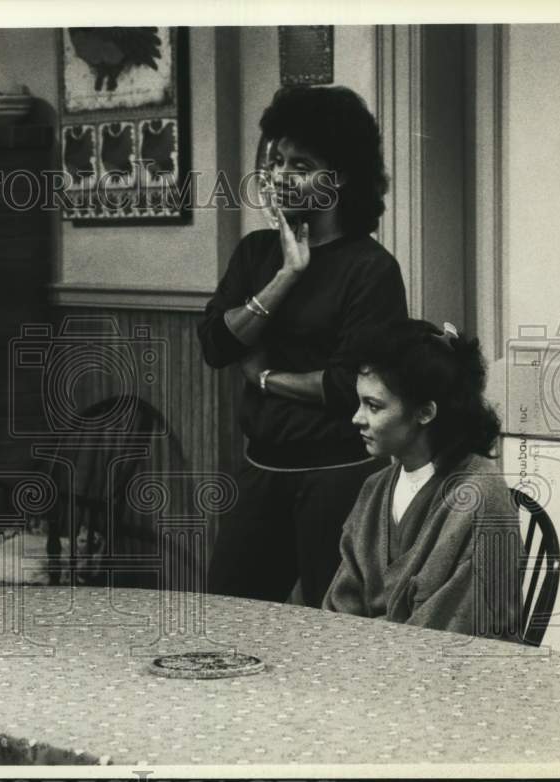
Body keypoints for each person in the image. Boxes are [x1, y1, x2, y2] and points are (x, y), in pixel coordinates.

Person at [198, 85, 407, 606]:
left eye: (302, 164)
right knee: (228, 612)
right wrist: (287, 276)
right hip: (262, 467)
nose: (280, 176)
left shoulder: (371, 270)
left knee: (331, 629)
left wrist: (266, 378)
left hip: (340, 476)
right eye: (278, 161)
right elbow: (215, 345)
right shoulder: (256, 253)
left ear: (341, 178)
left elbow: (346, 388)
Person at [323, 319, 521, 639]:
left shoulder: (481, 496)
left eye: (373, 406)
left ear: (425, 412)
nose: (357, 418)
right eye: (359, 402)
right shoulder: (374, 490)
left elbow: (451, 632)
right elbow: (338, 609)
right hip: (371, 665)